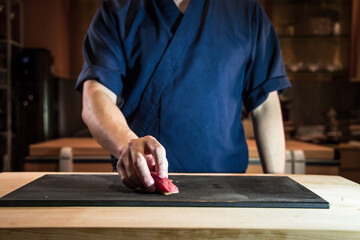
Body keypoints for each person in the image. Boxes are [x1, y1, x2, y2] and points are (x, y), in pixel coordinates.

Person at [76, 0, 291, 193]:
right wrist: (127, 144)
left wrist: (277, 184)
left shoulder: (246, 10)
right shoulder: (119, 8)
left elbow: (265, 104)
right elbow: (97, 93)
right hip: (142, 186)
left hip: (228, 187)